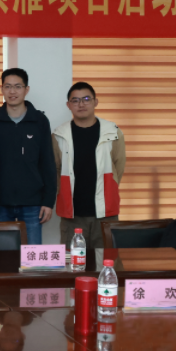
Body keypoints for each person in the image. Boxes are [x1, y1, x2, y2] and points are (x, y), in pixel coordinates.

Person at [0, 68, 57, 245]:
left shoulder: (39, 121)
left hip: (33, 203)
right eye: (8, 86)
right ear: (2, 89)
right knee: (2, 257)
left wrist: (48, 201)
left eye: (18, 86)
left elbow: (47, 162)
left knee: (32, 258)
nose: (12, 91)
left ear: (26, 89)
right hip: (0, 204)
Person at [52, 81, 126, 251]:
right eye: (75, 100)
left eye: (86, 99)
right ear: (68, 105)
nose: (81, 104)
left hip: (105, 212)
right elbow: (55, 170)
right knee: (73, 262)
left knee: (106, 261)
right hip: (72, 214)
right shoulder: (58, 135)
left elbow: (118, 166)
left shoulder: (112, 132)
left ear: (95, 102)